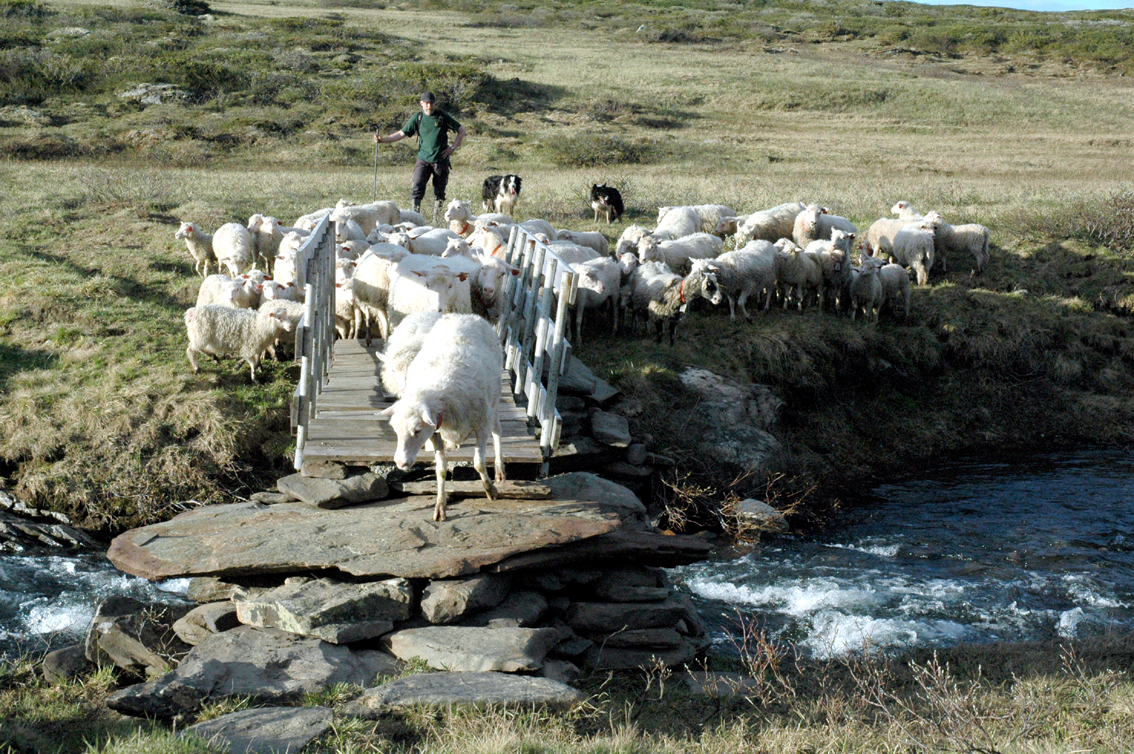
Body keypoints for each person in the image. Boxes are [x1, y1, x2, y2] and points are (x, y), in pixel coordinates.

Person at [375, 92, 466, 217]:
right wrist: (383, 140)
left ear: (435, 103)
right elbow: (401, 134)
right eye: (426, 103)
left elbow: (461, 130)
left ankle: (437, 219)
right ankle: (415, 217)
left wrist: (452, 148)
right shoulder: (417, 118)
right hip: (423, 159)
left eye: (431, 103)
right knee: (417, 186)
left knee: (439, 191)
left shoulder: (442, 116)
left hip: (441, 160)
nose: (429, 106)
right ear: (421, 103)